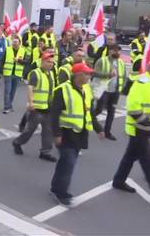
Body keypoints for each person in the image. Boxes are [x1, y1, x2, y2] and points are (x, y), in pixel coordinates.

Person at [49, 63, 105, 206]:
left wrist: (98, 128)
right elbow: (54, 115)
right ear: (79, 75)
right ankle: (62, 194)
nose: (89, 76)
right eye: (87, 74)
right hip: (66, 133)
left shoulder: (86, 89)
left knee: (64, 163)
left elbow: (89, 111)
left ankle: (55, 188)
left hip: (80, 133)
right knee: (68, 163)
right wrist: (56, 134)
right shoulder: (62, 90)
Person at [112, 59, 150, 206]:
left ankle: (118, 181)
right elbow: (133, 108)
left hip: (149, 128)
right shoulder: (143, 83)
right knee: (148, 163)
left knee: (130, 156)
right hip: (139, 129)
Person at [12, 53, 57, 162]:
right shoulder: (35, 73)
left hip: (48, 108)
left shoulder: (51, 74)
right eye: (48, 62)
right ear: (42, 61)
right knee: (29, 130)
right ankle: (17, 142)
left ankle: (45, 152)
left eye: (52, 62)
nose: (51, 64)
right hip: (37, 108)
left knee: (48, 131)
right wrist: (31, 102)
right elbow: (30, 88)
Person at [91, 44, 127, 140]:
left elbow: (124, 76)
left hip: (115, 91)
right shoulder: (102, 61)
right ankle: (88, 119)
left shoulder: (121, 63)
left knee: (111, 111)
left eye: (119, 51)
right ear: (110, 51)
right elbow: (94, 73)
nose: (117, 52)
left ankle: (107, 132)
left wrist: (122, 88)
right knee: (99, 109)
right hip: (104, 90)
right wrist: (107, 75)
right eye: (115, 50)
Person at [3, 35, 26, 113]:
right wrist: (0, 71)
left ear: (19, 43)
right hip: (8, 73)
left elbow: (26, 62)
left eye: (16, 42)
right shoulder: (8, 49)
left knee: (13, 91)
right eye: (13, 42)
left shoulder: (23, 51)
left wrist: (19, 60)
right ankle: (6, 107)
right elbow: (2, 60)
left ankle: (10, 104)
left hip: (17, 74)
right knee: (7, 91)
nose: (15, 43)